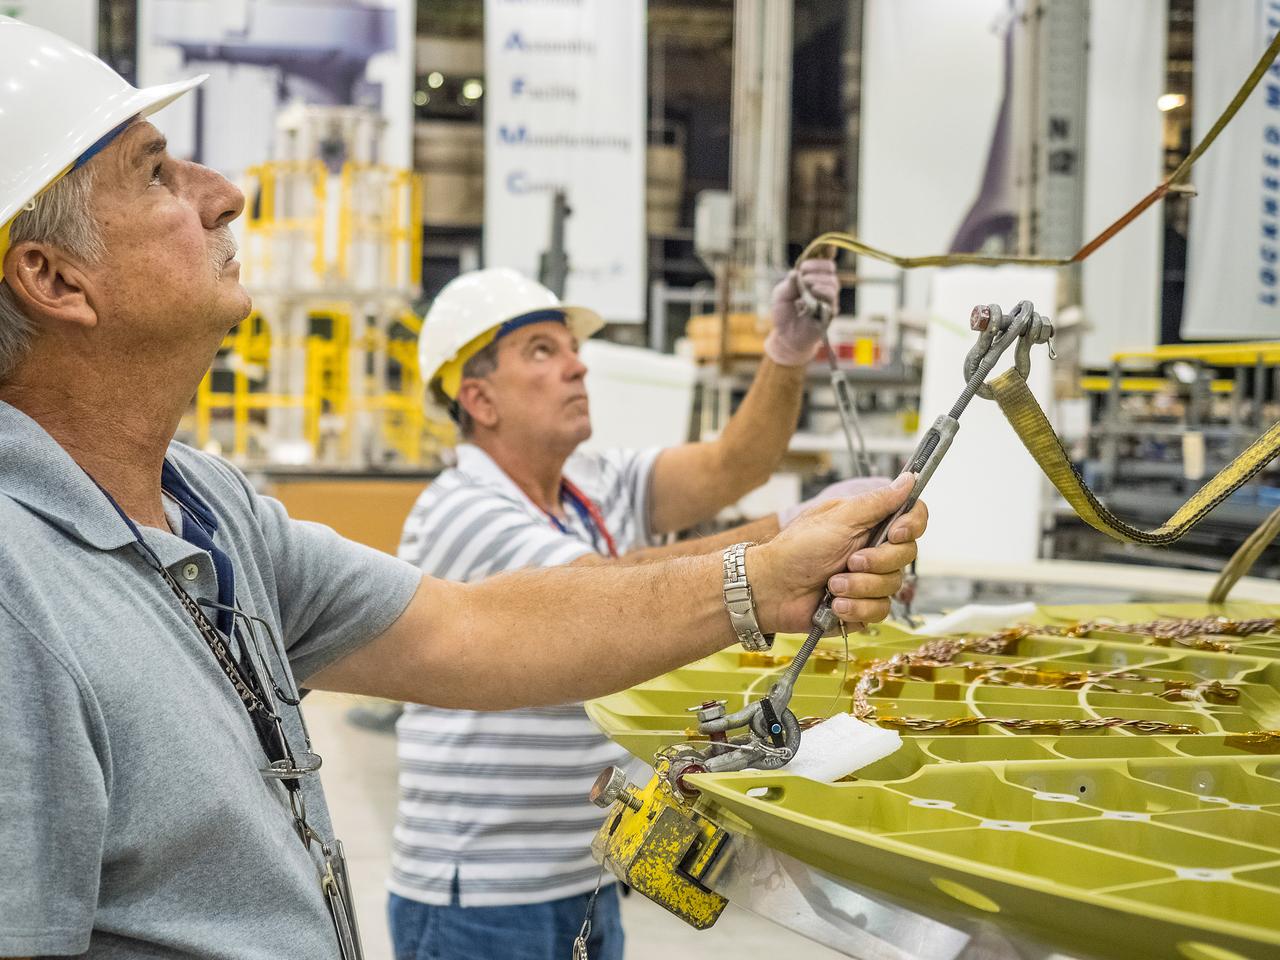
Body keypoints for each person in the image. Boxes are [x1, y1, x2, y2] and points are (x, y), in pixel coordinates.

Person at [0, 17, 926, 960]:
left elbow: (473, 628)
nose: (224, 194)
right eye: (156, 173)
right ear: (51, 276)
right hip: (485, 902)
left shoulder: (206, 505)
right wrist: (766, 561)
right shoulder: (17, 592)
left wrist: (768, 572)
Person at [388, 266, 883, 960]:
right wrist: (789, 535)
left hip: (591, 875)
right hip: (484, 901)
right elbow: (597, 594)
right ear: (479, 398)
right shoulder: (463, 509)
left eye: (572, 347)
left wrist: (786, 353)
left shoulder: (594, 483)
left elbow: (733, 464)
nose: (577, 365)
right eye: (542, 351)